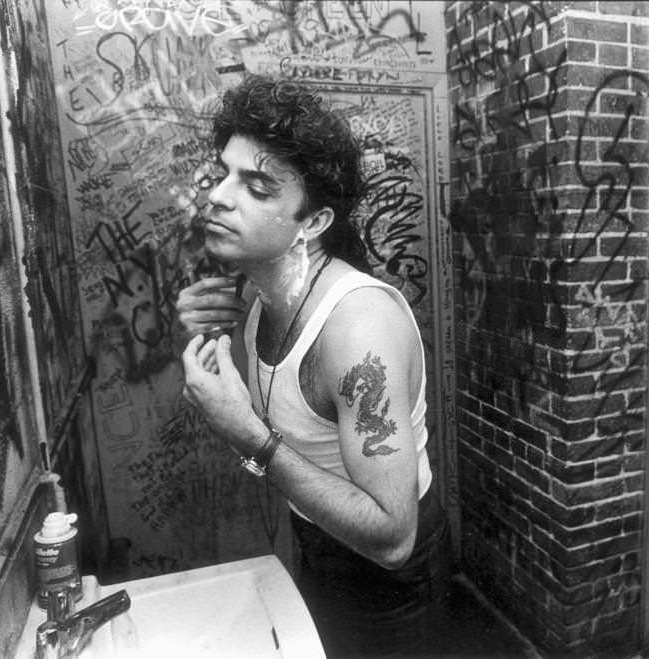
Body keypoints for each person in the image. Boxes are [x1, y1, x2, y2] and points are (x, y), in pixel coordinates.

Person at [176, 74, 451, 657]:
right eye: (224, 173)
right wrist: (210, 324)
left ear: (314, 223)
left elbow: (393, 536)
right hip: (319, 540)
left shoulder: (357, 329)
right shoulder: (257, 300)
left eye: (257, 187)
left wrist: (247, 435)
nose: (219, 196)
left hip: (388, 581)